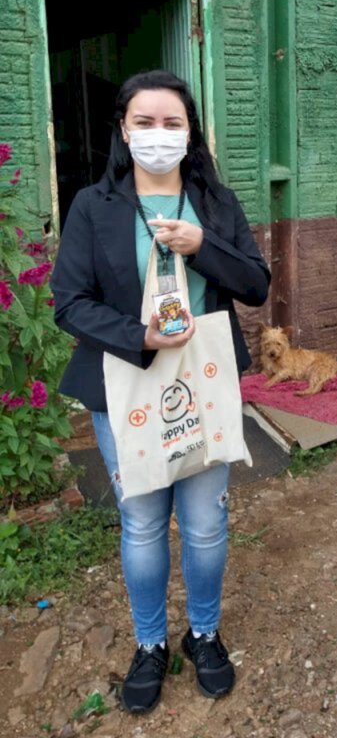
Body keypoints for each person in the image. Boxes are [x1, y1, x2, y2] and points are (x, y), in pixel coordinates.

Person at [52, 69, 271, 713]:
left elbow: (255, 284)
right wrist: (138, 334)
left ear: (190, 131)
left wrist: (205, 246)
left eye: (172, 122)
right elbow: (69, 303)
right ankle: (150, 643)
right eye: (144, 122)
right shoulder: (95, 207)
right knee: (143, 524)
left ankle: (204, 633)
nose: (158, 134)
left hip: (203, 382)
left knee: (205, 525)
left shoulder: (214, 203)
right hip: (125, 383)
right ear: (123, 130)